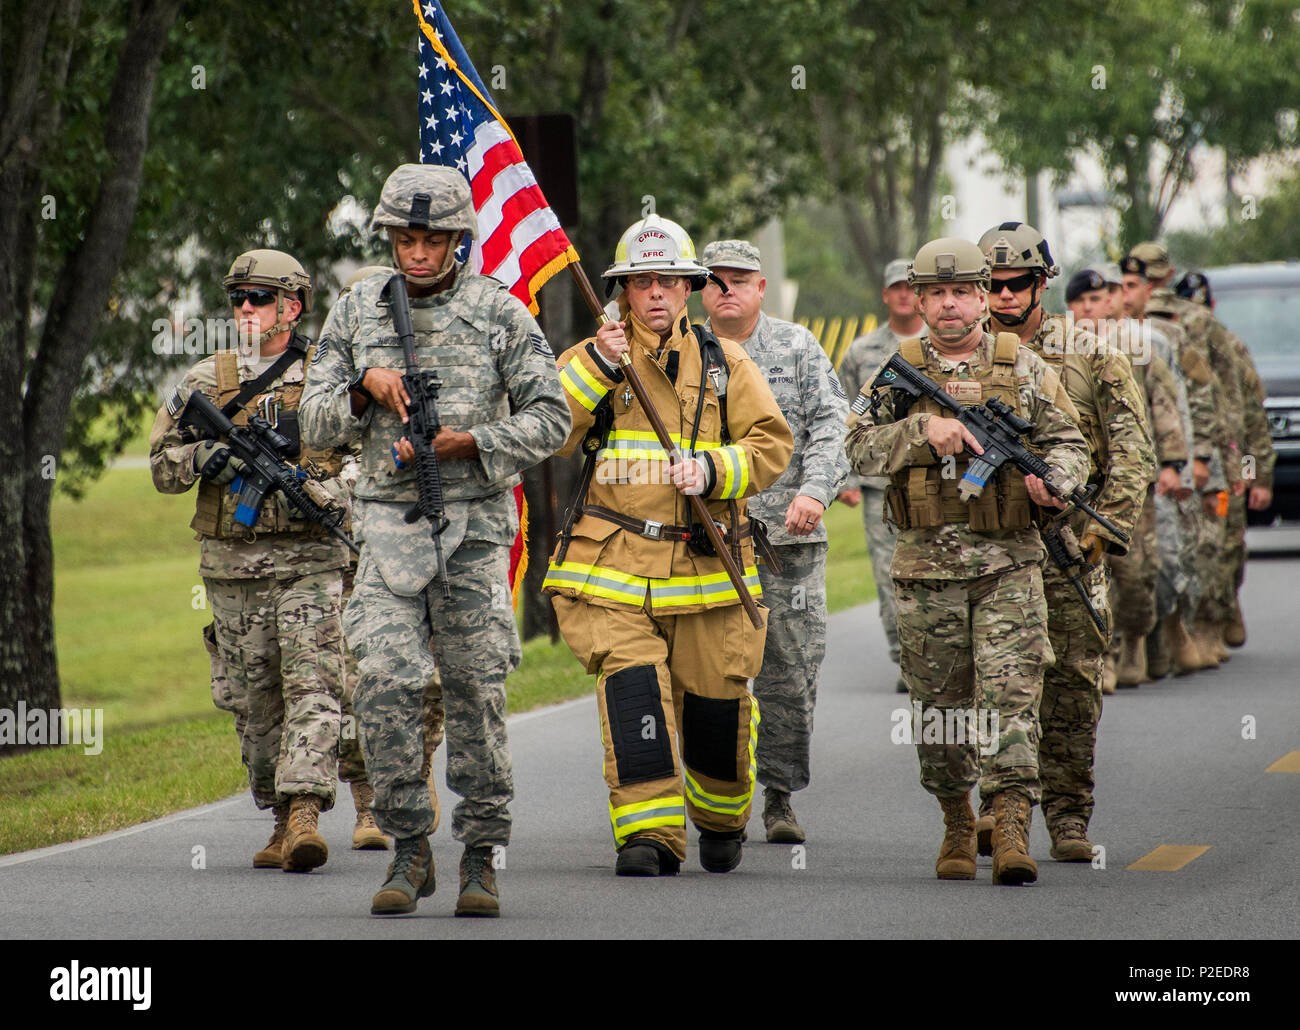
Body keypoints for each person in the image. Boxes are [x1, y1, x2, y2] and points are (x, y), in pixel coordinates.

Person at [299, 164, 570, 917]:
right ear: (389, 237)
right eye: (406, 239)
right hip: (386, 525)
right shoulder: (357, 309)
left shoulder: (498, 312)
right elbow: (313, 420)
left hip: (475, 527)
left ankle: (480, 854)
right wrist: (365, 385)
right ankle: (410, 845)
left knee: (475, 690)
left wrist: (471, 442)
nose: (418, 253)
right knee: (383, 683)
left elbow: (553, 416)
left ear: (459, 240)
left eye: (434, 240)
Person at [543, 214, 792, 877]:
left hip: (708, 575)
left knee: (715, 712)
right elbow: (547, 432)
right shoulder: (591, 359)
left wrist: (715, 471)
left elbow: (772, 445)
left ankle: (718, 816)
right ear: (621, 291)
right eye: (641, 281)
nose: (656, 293)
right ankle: (649, 835)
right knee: (633, 696)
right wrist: (598, 363)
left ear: (689, 289)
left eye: (670, 281)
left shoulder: (725, 363)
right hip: (611, 573)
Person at [844, 237, 1088, 885]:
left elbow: (1069, 443)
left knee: (1013, 699)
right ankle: (956, 818)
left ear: (983, 297)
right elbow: (856, 450)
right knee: (940, 711)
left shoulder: (1024, 368)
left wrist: (1055, 481)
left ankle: (1011, 826)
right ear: (919, 301)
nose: (950, 305)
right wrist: (919, 433)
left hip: (1010, 565)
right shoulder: (897, 371)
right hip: (925, 574)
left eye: (961, 292)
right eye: (936, 293)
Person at [149, 249, 347, 873]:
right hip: (233, 568)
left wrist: (329, 496)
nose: (244, 308)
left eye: (258, 297)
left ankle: (307, 812)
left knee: (315, 685)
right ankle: (278, 810)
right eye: (238, 297)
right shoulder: (207, 380)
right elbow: (161, 466)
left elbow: (368, 460)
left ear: (292, 306)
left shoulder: (330, 377)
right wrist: (201, 457)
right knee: (253, 699)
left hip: (313, 559)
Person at [974, 224, 1154, 862]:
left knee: (1073, 685)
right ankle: (999, 809)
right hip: (990, 551)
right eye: (988, 285)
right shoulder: (959, 359)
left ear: (1041, 284)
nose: (999, 297)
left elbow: (1134, 450)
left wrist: (1101, 530)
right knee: (996, 686)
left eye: (1013, 285)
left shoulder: (1090, 353)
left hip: (1067, 549)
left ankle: (1070, 817)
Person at [699, 238, 849, 844]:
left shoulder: (797, 347)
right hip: (705, 540)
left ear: (762, 288)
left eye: (740, 279)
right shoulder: (681, 350)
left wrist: (815, 491)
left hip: (787, 541)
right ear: (698, 289)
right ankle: (712, 795)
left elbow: (834, 423)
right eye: (715, 280)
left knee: (788, 674)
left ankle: (780, 795)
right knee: (707, 673)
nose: (726, 289)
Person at [1174, 271, 1276, 646]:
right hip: (1187, 457)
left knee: (1229, 540)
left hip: (1231, 456)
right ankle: (1197, 624)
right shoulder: (1173, 346)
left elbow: (1251, 414)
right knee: (1195, 545)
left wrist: (1257, 474)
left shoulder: (1230, 347)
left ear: (1212, 308)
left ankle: (1225, 607)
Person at [836, 259, 922, 693]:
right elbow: (845, 415)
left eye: (911, 286)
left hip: (932, 480)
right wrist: (846, 481)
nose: (904, 294)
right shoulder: (861, 351)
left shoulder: (940, 343)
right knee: (889, 576)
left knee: (932, 568)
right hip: (878, 486)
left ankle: (938, 654)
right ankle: (906, 660)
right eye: (896, 288)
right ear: (886, 295)